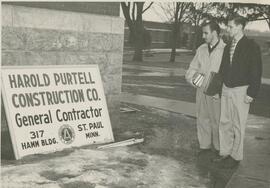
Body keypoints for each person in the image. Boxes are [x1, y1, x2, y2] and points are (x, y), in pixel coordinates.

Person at [215, 15, 262, 168]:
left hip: (242, 90)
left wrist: (251, 93)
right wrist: (218, 88)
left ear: (240, 26)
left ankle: (236, 156)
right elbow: (223, 69)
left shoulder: (251, 46)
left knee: (238, 124)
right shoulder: (228, 45)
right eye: (228, 26)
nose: (228, 29)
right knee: (224, 122)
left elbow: (256, 71)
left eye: (230, 26)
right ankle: (225, 152)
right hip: (226, 88)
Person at [185, 20, 225, 155]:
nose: (203, 36)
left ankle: (220, 149)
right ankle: (204, 146)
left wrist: (219, 90)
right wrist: (195, 81)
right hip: (201, 91)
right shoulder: (201, 49)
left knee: (217, 121)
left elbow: (228, 74)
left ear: (214, 33)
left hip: (217, 94)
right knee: (202, 118)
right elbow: (191, 69)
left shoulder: (225, 49)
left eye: (205, 33)